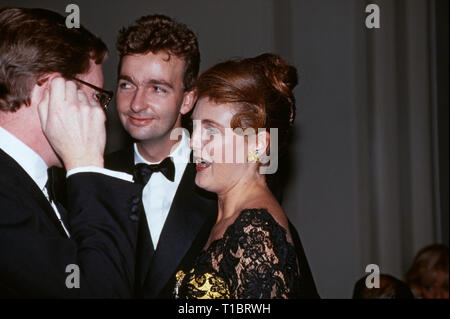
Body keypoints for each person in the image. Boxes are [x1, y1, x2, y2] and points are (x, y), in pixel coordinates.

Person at [0, 7, 142, 298]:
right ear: (51, 90)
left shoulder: (29, 185)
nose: (102, 115)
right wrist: (87, 164)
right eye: (98, 97)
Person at [173, 53, 319, 299]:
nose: (193, 143)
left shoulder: (256, 234)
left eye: (210, 130)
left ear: (258, 146)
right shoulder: (224, 218)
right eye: (194, 128)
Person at [105, 14, 217, 298]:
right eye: (127, 84)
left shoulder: (224, 178)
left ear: (188, 100)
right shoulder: (92, 176)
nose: (136, 104)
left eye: (157, 88)